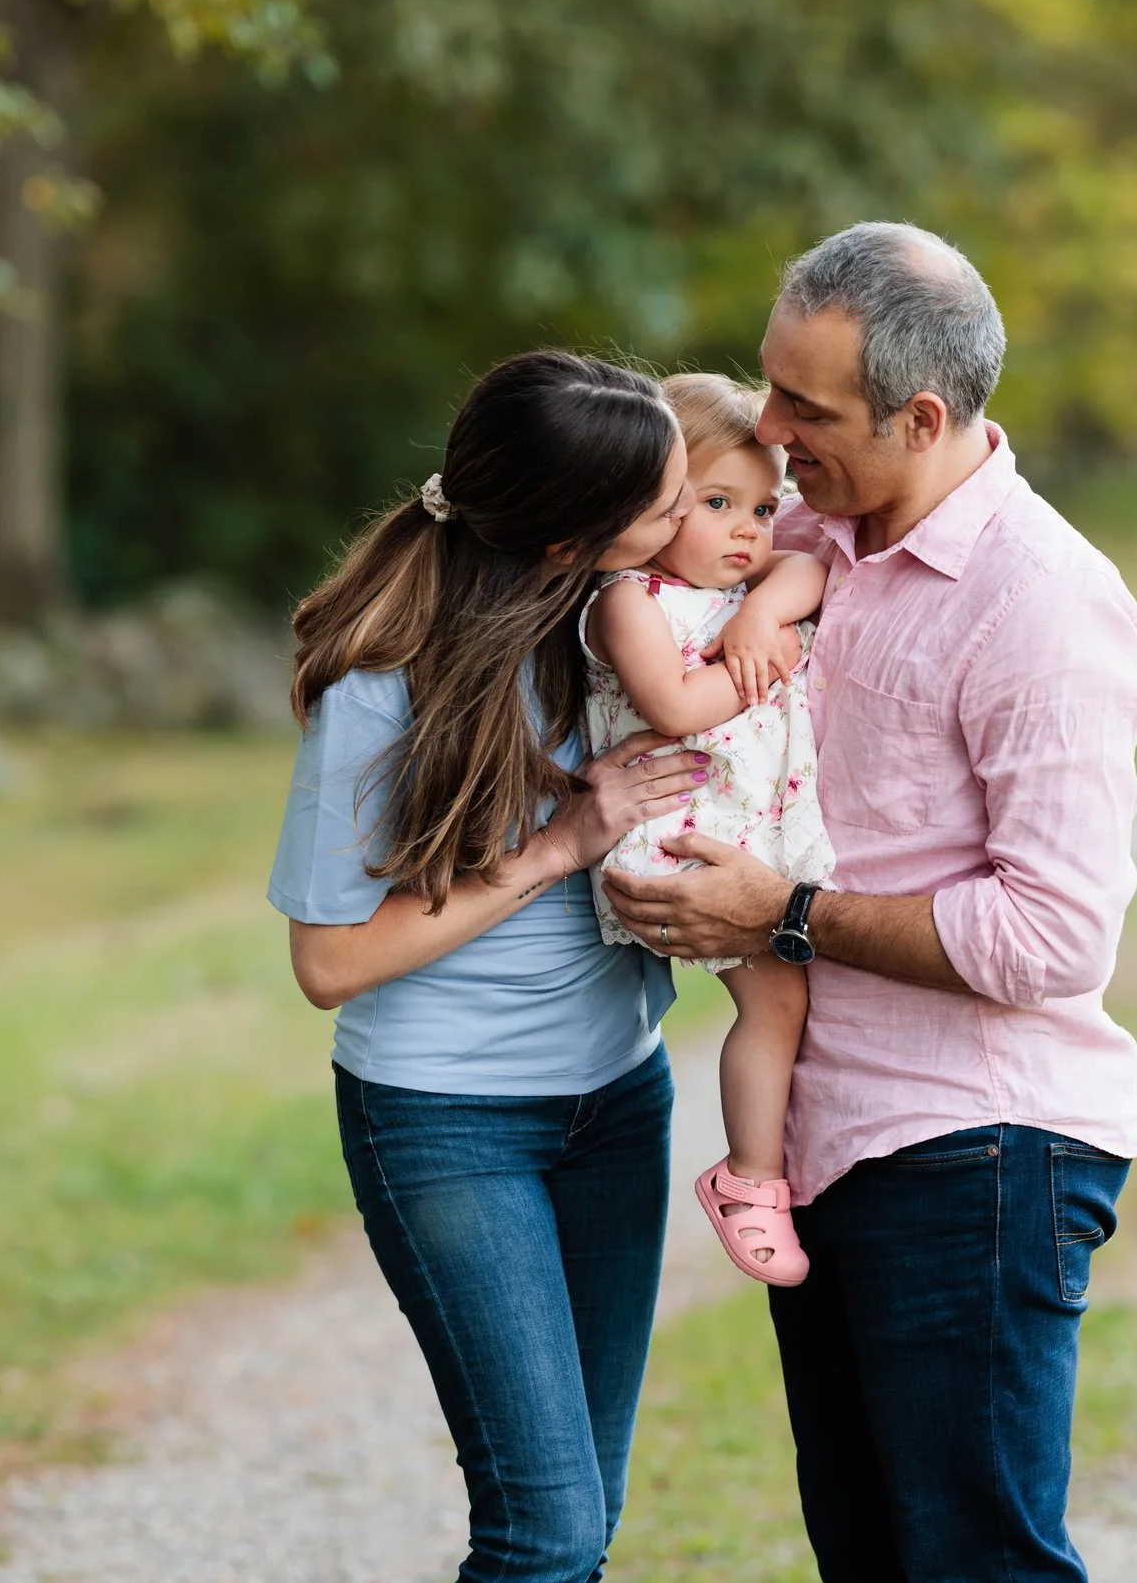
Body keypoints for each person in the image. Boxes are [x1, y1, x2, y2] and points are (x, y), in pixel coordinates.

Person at [603, 223, 1137, 1581]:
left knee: (975, 1561)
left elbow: (1052, 936)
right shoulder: (801, 531)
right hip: (835, 1139)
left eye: (808, 407)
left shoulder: (1042, 603)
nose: (772, 430)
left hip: (978, 1145)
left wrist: (777, 911)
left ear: (921, 416)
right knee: (870, 1555)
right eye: (771, 387)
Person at [270, 350, 769, 1583]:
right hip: (450, 1121)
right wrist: (560, 845)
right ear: (563, 540)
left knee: (583, 1521)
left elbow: (793, 545)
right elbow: (329, 962)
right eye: (667, 503)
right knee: (541, 1531)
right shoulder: (384, 683)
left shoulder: (614, 623)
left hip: (617, 1097)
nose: (690, 519)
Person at [580, 372, 835, 1286]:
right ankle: (751, 1177)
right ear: (656, 504)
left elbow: (813, 566)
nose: (748, 531)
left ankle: (770, 1165)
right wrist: (786, 652)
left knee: (790, 998)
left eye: (764, 508)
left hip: (746, 824)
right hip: (682, 836)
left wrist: (767, 608)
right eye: (719, 503)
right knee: (776, 999)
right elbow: (680, 705)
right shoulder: (627, 598)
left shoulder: (748, 578)